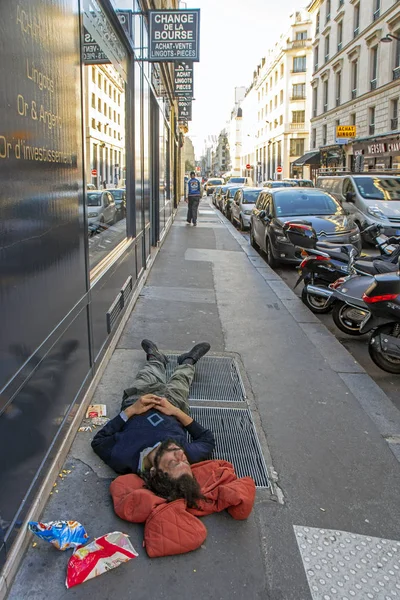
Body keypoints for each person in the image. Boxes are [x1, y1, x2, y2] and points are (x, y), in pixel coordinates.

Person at [91, 340, 215, 478]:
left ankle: (156, 359)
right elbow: (207, 440)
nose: (181, 453)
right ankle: (188, 361)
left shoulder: (123, 457)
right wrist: (175, 411)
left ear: (154, 471)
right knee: (181, 381)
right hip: (174, 406)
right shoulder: (183, 452)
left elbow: (98, 442)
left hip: (139, 401)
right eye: (185, 461)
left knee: (148, 375)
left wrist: (130, 411)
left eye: (174, 462)